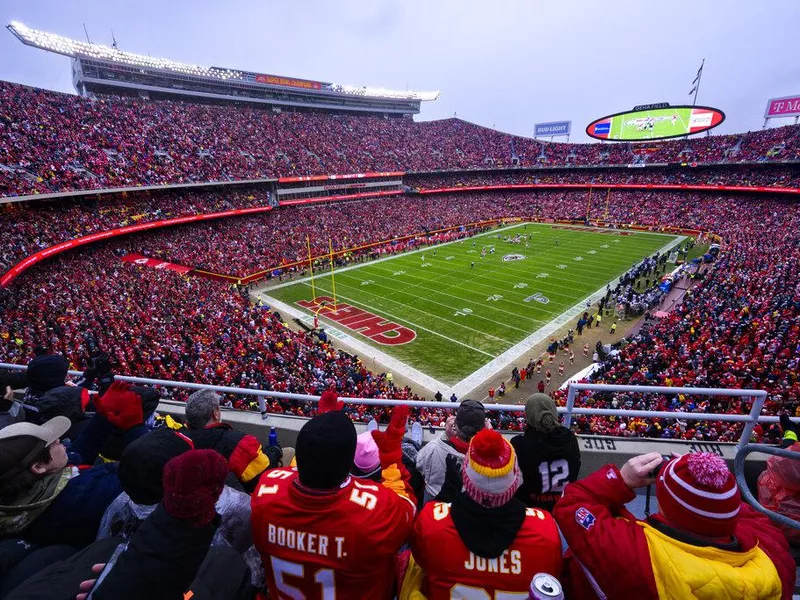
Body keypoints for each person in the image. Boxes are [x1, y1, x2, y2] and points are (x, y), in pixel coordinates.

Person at [554, 452, 796, 599]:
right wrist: (703, 480)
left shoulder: (633, 553)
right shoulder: (774, 553)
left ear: (666, 506)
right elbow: (748, 515)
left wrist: (623, 479)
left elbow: (572, 503)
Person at [251, 398, 416, 600]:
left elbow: (297, 471)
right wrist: (390, 456)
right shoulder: (375, 511)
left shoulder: (266, 491)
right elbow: (407, 507)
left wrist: (319, 436)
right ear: (348, 464)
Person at [406, 429, 562, 599]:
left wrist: (446, 495)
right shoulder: (545, 530)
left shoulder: (431, 521)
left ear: (465, 477)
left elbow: (421, 561)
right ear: (516, 479)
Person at [183, 388, 287, 493]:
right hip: (245, 499)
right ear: (215, 414)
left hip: (203, 496)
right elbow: (263, 473)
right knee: (289, 451)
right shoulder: (237, 442)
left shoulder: (179, 439)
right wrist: (274, 451)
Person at [511, 394, 581, 512]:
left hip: (532, 508)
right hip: (564, 504)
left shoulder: (519, 444)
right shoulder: (570, 438)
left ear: (529, 416)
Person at [416, 400, 486, 503]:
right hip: (471, 508)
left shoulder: (433, 448)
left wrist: (445, 436)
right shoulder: (492, 459)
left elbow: (418, 463)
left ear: (455, 425)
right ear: (483, 428)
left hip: (435, 502)